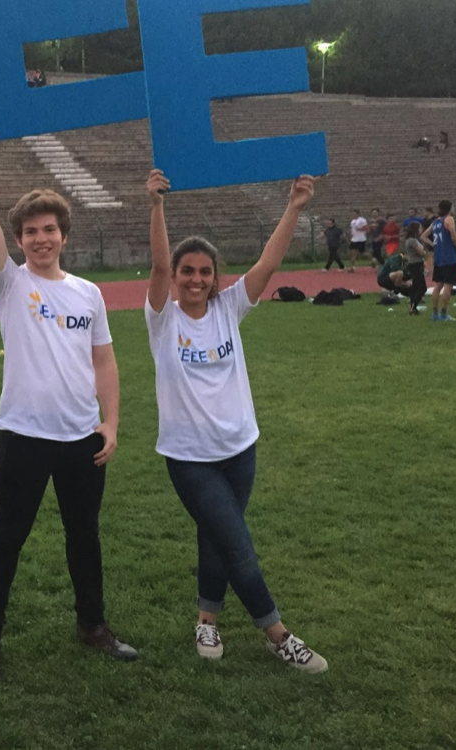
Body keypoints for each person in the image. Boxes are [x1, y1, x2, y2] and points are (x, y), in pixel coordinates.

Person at [0, 120, 133, 685]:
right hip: (24, 437)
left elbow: (103, 361)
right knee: (6, 538)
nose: (40, 238)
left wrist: (110, 423)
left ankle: (92, 625)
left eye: (49, 229)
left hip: (81, 437)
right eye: (30, 231)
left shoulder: (89, 293)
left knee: (85, 536)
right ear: (19, 239)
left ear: (64, 234)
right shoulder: (9, 284)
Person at [143, 165, 328, 673]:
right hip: (189, 458)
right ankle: (278, 634)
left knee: (217, 538)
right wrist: (157, 206)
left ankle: (207, 620)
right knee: (237, 544)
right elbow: (157, 269)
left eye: (205, 272)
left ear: (215, 278)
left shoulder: (229, 309)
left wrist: (293, 207)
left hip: (241, 449)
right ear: (177, 278)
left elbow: (268, 264)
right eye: (188, 272)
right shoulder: (163, 319)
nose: (197, 280)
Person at [424, 199, 456, 321]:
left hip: (439, 257)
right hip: (449, 257)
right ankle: (444, 313)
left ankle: (434, 313)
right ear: (449, 208)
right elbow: (454, 236)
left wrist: (434, 244)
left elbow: (423, 236)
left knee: (438, 285)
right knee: (448, 285)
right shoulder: (449, 219)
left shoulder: (435, 222)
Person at [403, 223, 428, 315]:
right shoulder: (412, 241)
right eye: (420, 228)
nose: (421, 229)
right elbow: (421, 253)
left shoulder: (409, 240)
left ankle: (413, 307)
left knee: (415, 287)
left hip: (414, 264)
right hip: (416, 264)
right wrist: (425, 251)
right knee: (422, 287)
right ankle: (413, 307)